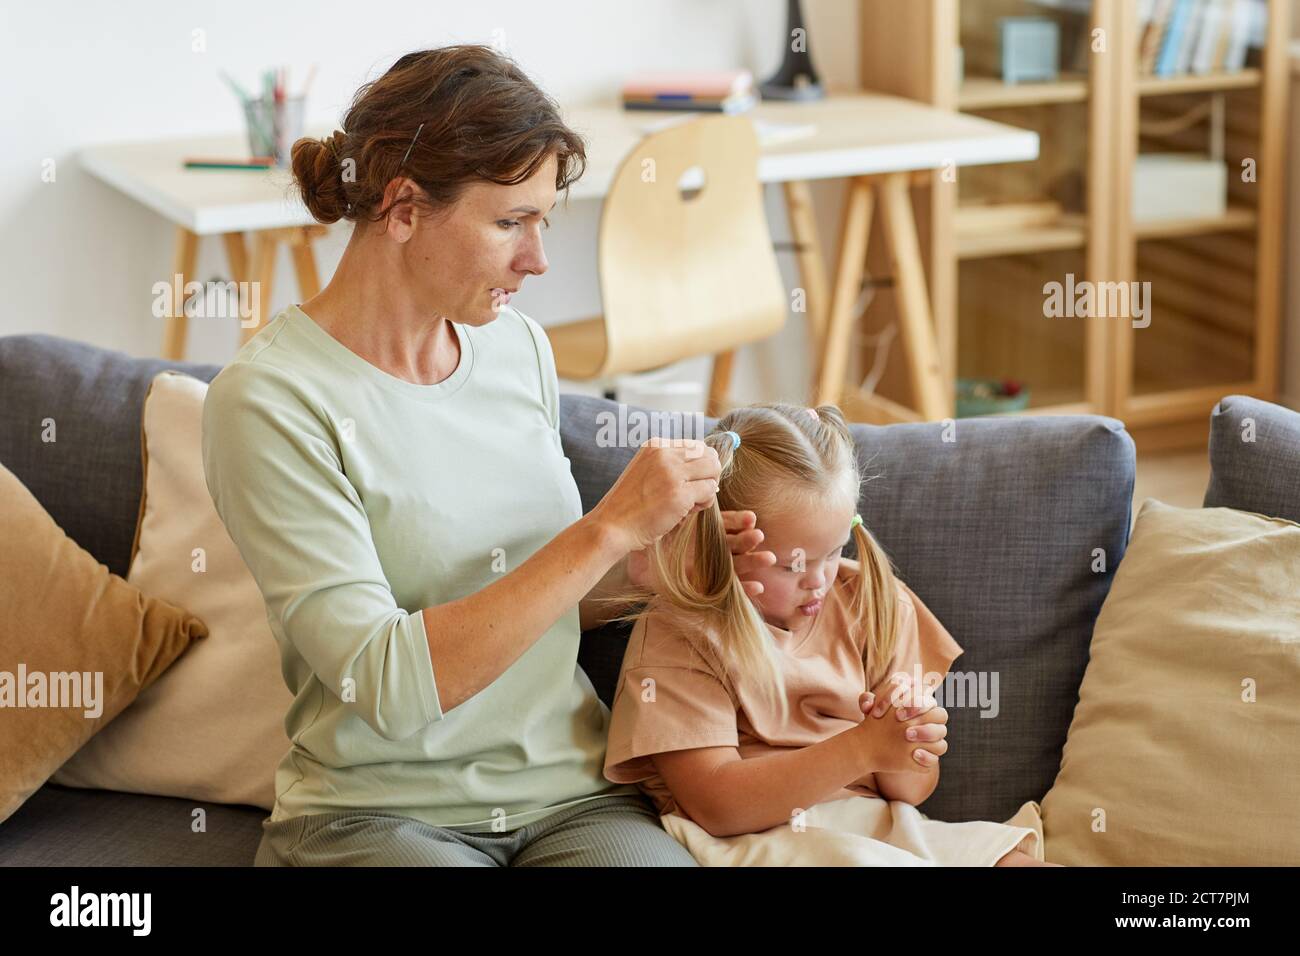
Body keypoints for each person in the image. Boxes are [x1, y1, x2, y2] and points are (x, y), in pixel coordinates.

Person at [201, 45, 775, 867]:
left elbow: (530, 611)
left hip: (571, 797)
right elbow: (386, 686)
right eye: (511, 222)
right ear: (402, 208)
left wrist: (641, 575)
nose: (537, 259)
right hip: (378, 815)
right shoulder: (269, 401)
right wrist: (605, 531)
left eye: (544, 222)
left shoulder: (515, 348)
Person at [602, 403, 1057, 866]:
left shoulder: (873, 599)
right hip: (756, 840)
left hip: (875, 828)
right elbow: (717, 807)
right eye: (790, 564)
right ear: (725, 540)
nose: (818, 580)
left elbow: (911, 794)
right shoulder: (683, 630)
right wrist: (861, 748)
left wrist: (907, 741)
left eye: (834, 550)